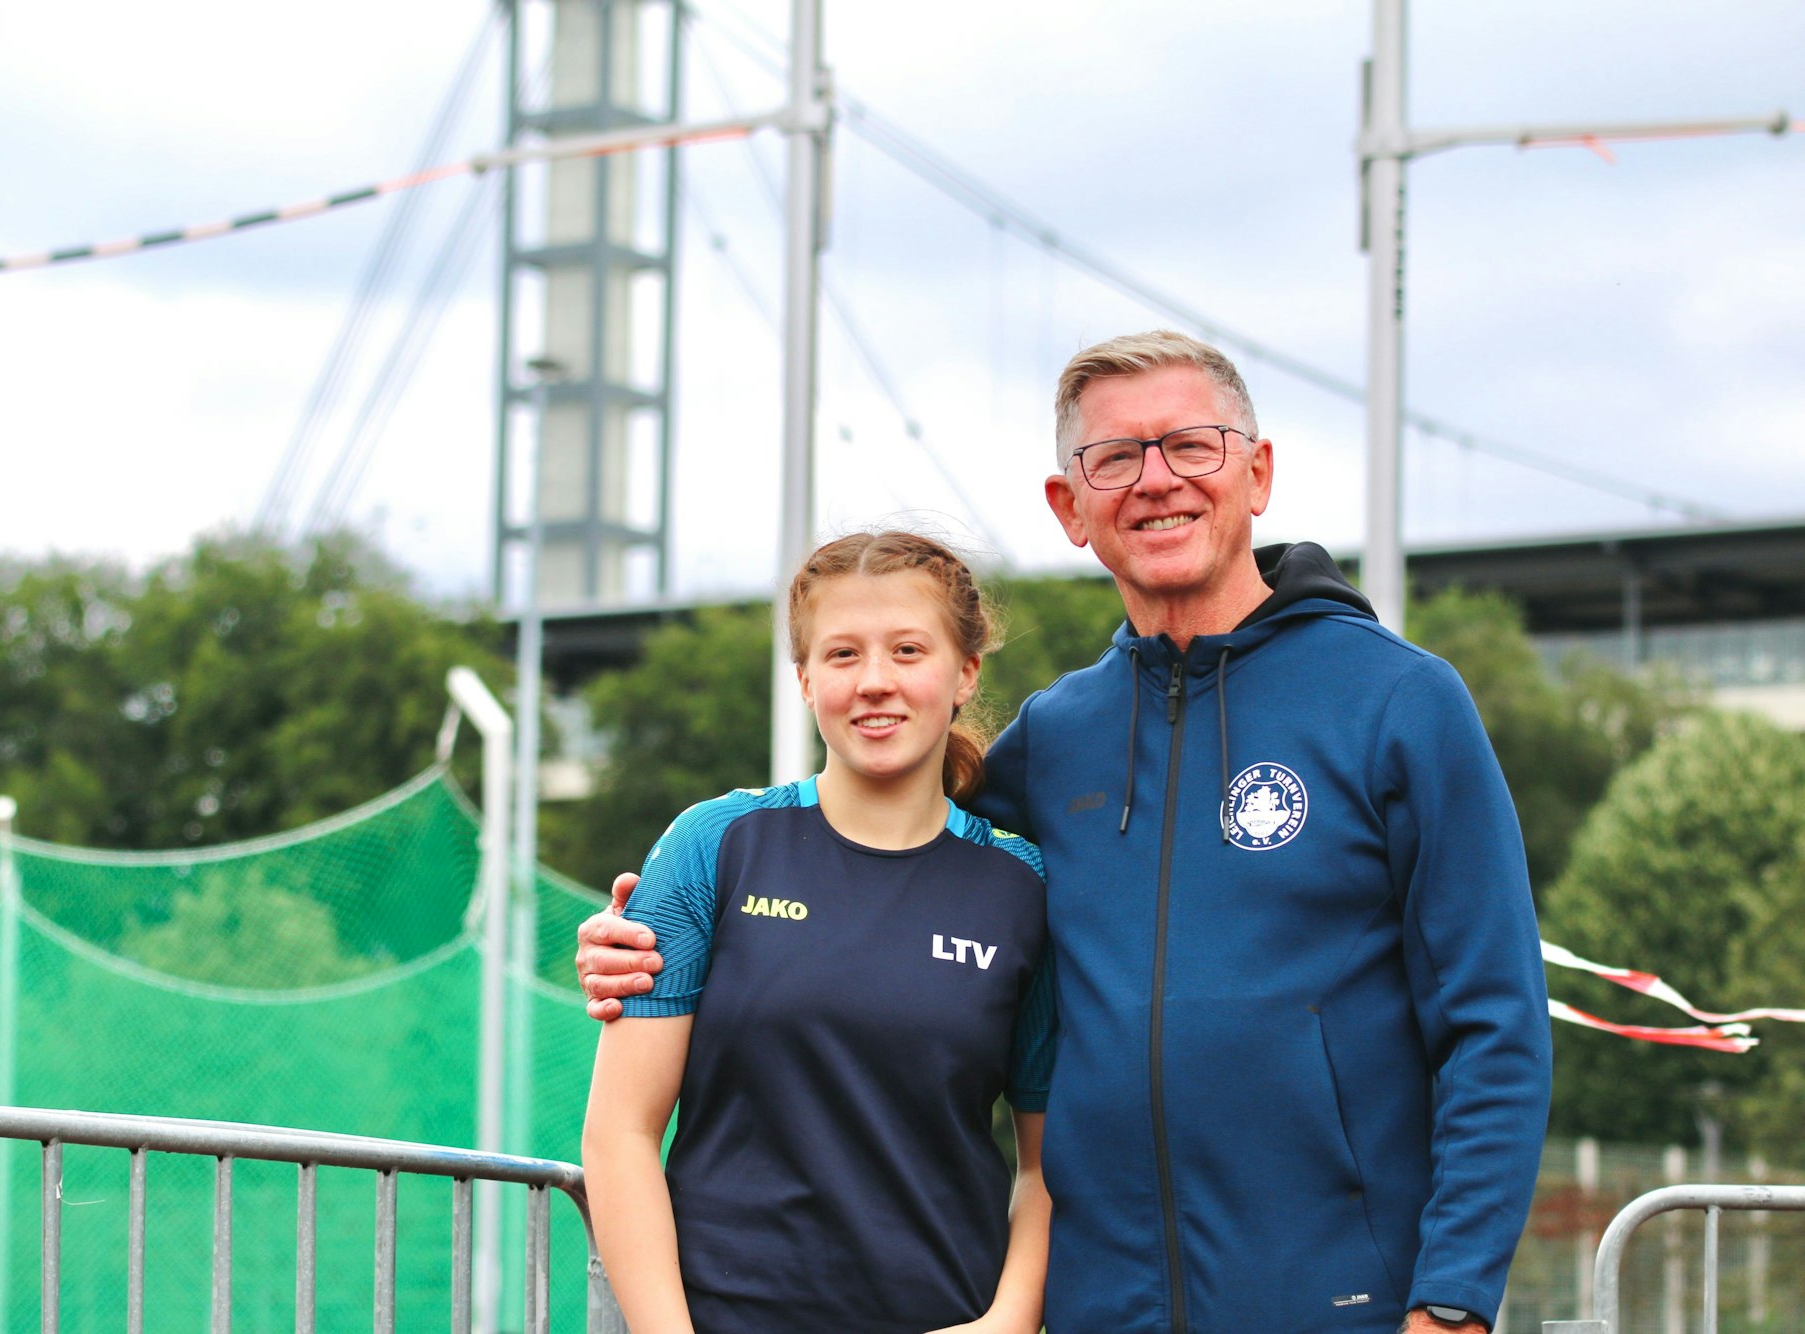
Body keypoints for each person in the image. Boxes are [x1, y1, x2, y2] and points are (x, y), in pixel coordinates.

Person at [577, 332, 1553, 1334]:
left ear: (1255, 474)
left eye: (1190, 445)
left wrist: (1450, 1302)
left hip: (1339, 1301)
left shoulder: (1399, 702)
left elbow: (1495, 1025)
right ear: (1070, 507)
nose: (1155, 480)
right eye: (1114, 458)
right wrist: (654, 932)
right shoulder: (1058, 738)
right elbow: (880, 850)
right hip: (1101, 1308)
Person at [582, 530, 1057, 1334]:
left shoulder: (1023, 887)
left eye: (908, 650)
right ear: (805, 680)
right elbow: (620, 1133)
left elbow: (1047, 1169)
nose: (875, 682)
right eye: (842, 656)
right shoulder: (714, 845)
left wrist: (1003, 1326)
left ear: (964, 672)